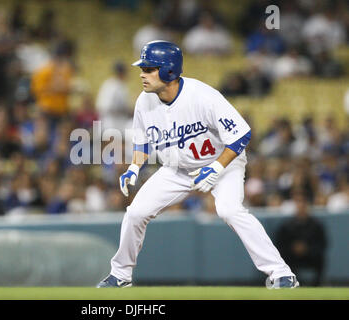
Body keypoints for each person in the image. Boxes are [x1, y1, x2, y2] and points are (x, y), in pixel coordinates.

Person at [97, 40, 299, 289]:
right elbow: (142, 141)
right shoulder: (144, 101)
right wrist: (134, 167)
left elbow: (241, 135)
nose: (142, 74)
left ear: (169, 71)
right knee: (136, 213)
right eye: (143, 69)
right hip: (175, 169)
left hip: (222, 163)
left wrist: (216, 167)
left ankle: (281, 273)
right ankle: (120, 276)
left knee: (230, 210)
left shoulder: (202, 96)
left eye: (149, 69)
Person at [275, 192, 327, 286]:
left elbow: (322, 243)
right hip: (292, 256)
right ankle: (289, 284)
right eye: (298, 202)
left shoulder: (316, 225)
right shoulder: (287, 226)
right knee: (284, 260)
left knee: (320, 259)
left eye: (303, 202)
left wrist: (307, 249)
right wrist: (293, 248)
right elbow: (280, 244)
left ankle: (317, 285)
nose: (301, 205)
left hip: (310, 255)